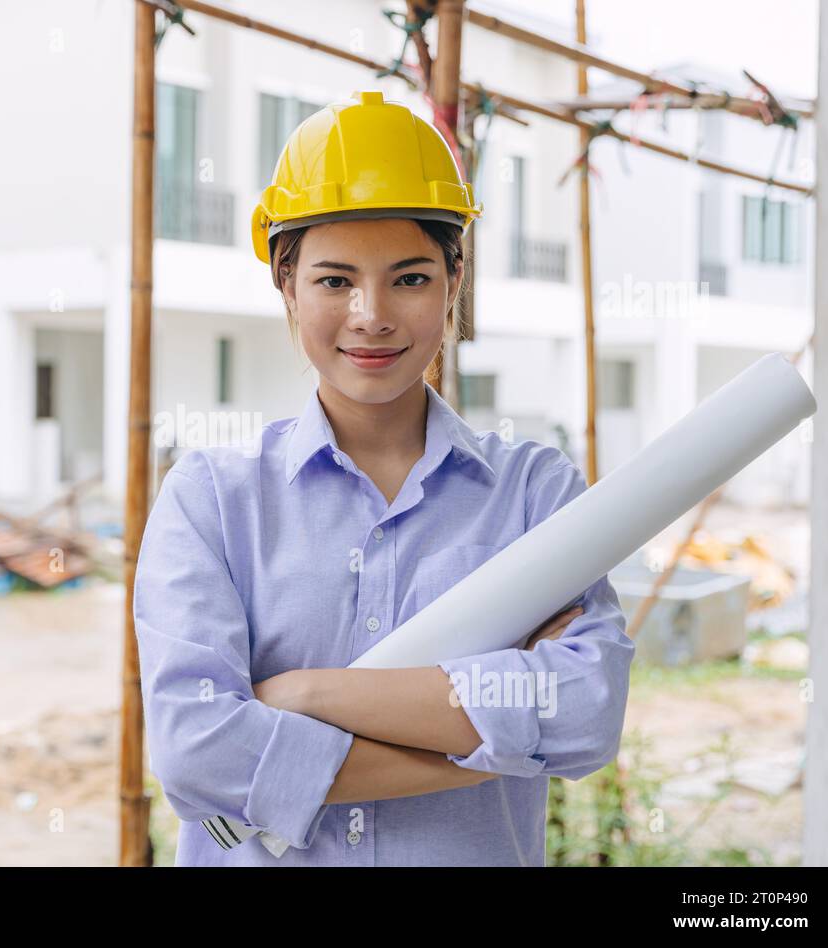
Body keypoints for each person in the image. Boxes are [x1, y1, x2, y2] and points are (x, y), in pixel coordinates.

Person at [133, 90, 635, 866]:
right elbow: (198, 751)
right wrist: (491, 735)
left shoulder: (535, 497)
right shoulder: (212, 501)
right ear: (286, 284)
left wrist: (305, 695)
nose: (372, 314)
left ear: (453, 281)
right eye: (335, 281)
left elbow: (584, 714)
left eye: (409, 278)